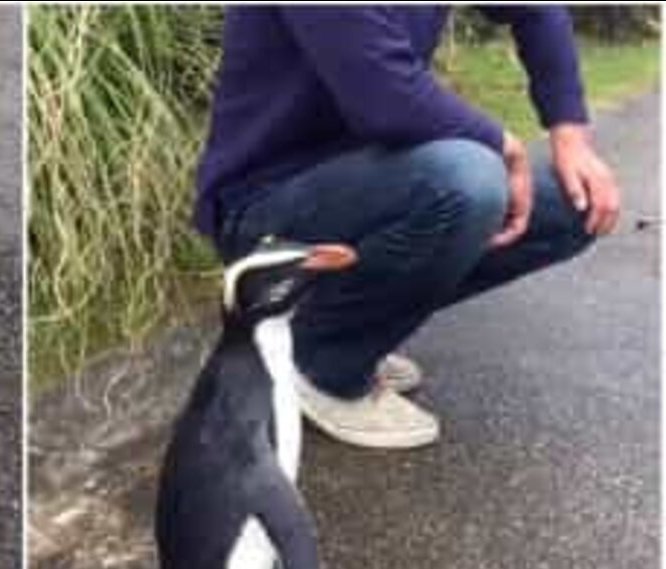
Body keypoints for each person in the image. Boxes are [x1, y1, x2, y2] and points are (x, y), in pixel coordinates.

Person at [195, 6, 621, 449]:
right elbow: (385, 97)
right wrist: (505, 147)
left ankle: (338, 324)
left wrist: (571, 135)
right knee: (468, 181)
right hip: (268, 200)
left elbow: (537, 11)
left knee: (572, 203)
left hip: (376, 180)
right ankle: (321, 364)